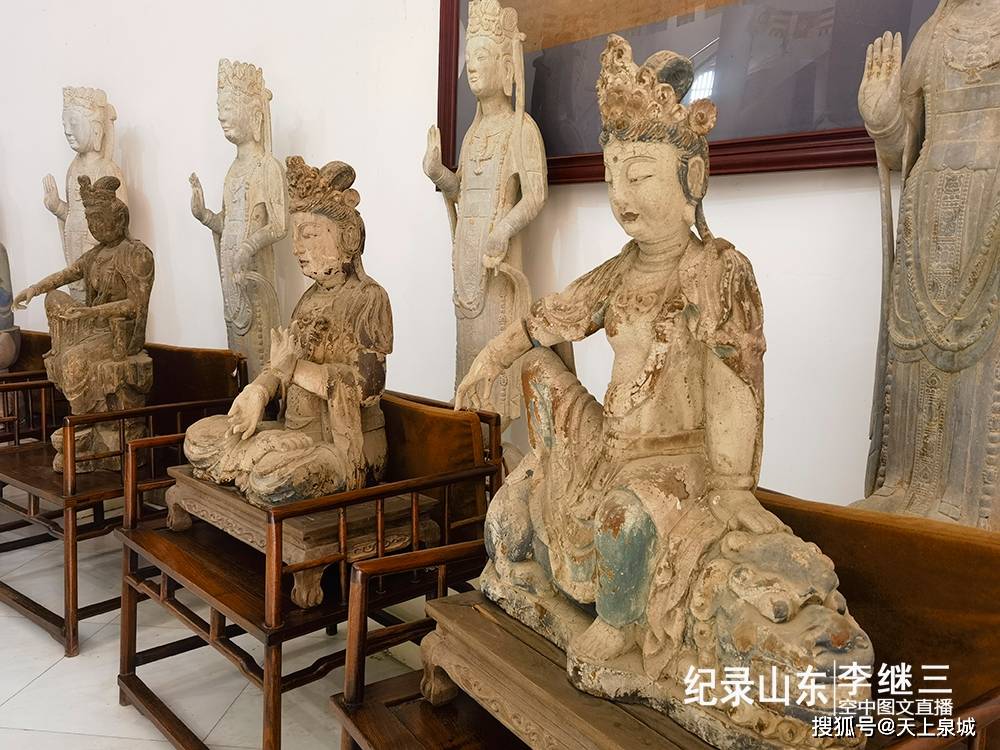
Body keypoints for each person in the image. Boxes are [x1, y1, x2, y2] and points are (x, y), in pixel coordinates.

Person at [456, 36, 871, 746]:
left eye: (641, 174)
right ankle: (552, 514)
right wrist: (489, 358)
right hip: (612, 444)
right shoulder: (621, 269)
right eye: (613, 174)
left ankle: (621, 626)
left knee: (625, 521)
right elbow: (551, 317)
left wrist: (734, 487)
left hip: (675, 465)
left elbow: (736, 384)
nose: (621, 195)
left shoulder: (718, 271)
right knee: (537, 370)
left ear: (693, 177)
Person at [855, 1, 1000, 530]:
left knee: (982, 358)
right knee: (915, 349)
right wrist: (884, 118)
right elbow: (904, 146)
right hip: (929, 206)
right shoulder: (934, 32)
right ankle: (905, 485)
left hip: (992, 209)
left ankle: (972, 502)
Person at [184, 157, 392, 506]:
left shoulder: (368, 298)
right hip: (293, 433)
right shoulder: (308, 300)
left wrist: (294, 368)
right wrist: (257, 393)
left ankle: (259, 468)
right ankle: (263, 460)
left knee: (272, 476)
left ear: (348, 236)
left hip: (343, 443)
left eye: (308, 235)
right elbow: (282, 366)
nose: (297, 247)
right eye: (296, 235)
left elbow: (366, 389)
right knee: (199, 437)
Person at [15, 175, 153, 471]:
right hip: (93, 327)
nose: (94, 227)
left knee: (73, 360)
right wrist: (34, 289)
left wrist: (90, 314)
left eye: (99, 220)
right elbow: (67, 274)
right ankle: (84, 425)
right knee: (55, 298)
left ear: (119, 219)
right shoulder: (96, 255)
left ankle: (85, 423)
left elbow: (135, 304)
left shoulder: (136, 254)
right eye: (91, 221)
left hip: (119, 334)